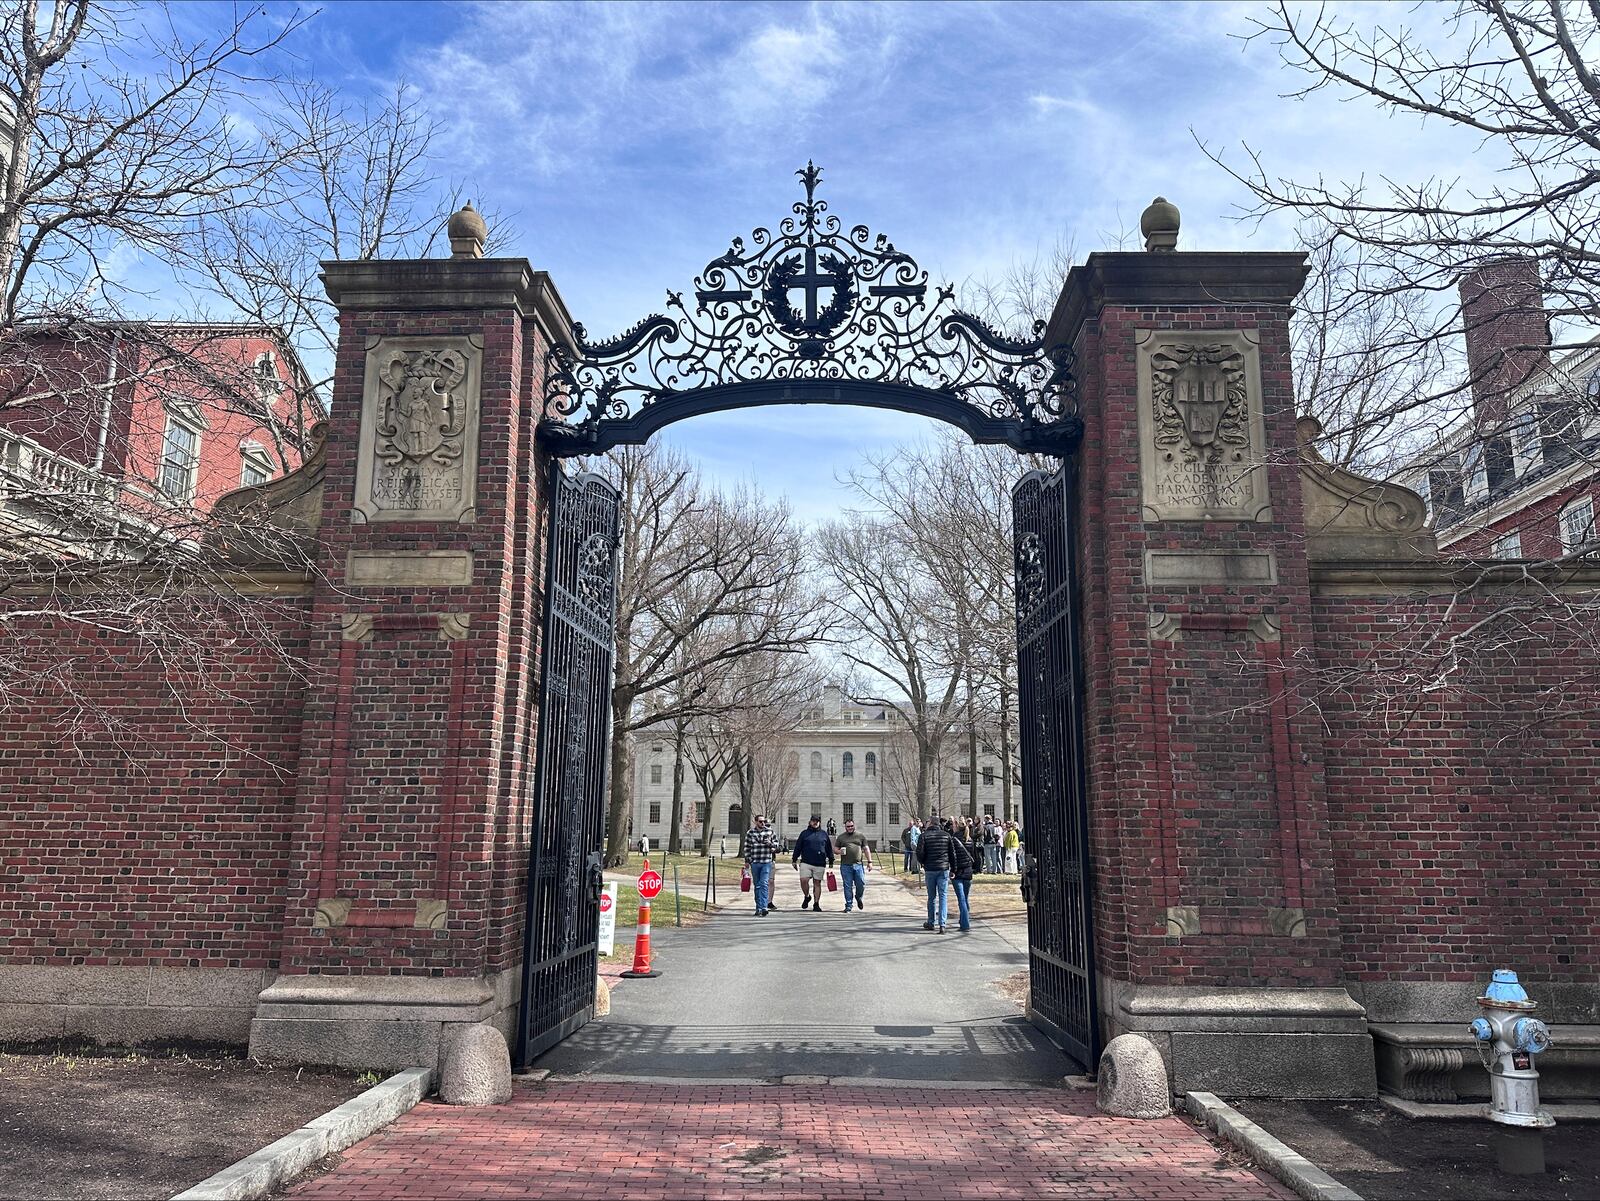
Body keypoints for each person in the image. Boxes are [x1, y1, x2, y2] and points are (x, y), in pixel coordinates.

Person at [915, 816, 953, 933]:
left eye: (927, 822)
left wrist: (923, 863)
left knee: (931, 897)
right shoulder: (946, 835)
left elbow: (919, 852)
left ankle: (931, 921)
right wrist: (953, 868)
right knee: (943, 896)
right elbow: (952, 853)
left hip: (930, 868)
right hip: (943, 868)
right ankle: (942, 923)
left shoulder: (924, 836)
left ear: (931, 823)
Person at [792, 814, 835, 912]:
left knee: (817, 883)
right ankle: (807, 896)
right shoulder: (804, 833)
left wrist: (831, 860)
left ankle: (816, 904)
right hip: (806, 862)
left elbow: (828, 848)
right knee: (804, 880)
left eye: (817, 821)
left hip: (820, 863)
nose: (815, 822)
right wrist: (794, 859)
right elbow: (798, 847)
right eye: (813, 821)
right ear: (810, 822)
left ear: (819, 822)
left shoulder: (824, 834)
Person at [741, 813, 780, 916]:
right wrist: (748, 861)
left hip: (766, 862)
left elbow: (776, 845)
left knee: (764, 884)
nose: (763, 823)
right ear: (756, 822)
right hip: (755, 862)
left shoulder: (770, 831)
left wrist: (770, 844)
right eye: (761, 821)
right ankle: (758, 907)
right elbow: (747, 848)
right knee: (757, 885)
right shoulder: (750, 833)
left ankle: (764, 907)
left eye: (764, 821)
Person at [834, 819, 873, 912]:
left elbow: (866, 849)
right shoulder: (841, 837)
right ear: (845, 827)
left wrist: (870, 862)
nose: (850, 828)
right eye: (848, 826)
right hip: (845, 866)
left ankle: (858, 897)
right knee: (847, 886)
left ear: (854, 826)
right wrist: (839, 851)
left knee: (861, 884)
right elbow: (835, 849)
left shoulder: (860, 836)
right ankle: (848, 905)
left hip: (858, 865)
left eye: (851, 826)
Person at [948, 820, 975, 932]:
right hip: (968, 872)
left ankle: (965, 924)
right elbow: (974, 856)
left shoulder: (954, 840)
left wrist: (953, 870)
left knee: (961, 899)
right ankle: (964, 919)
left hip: (958, 872)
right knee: (965, 898)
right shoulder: (970, 840)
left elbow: (953, 857)